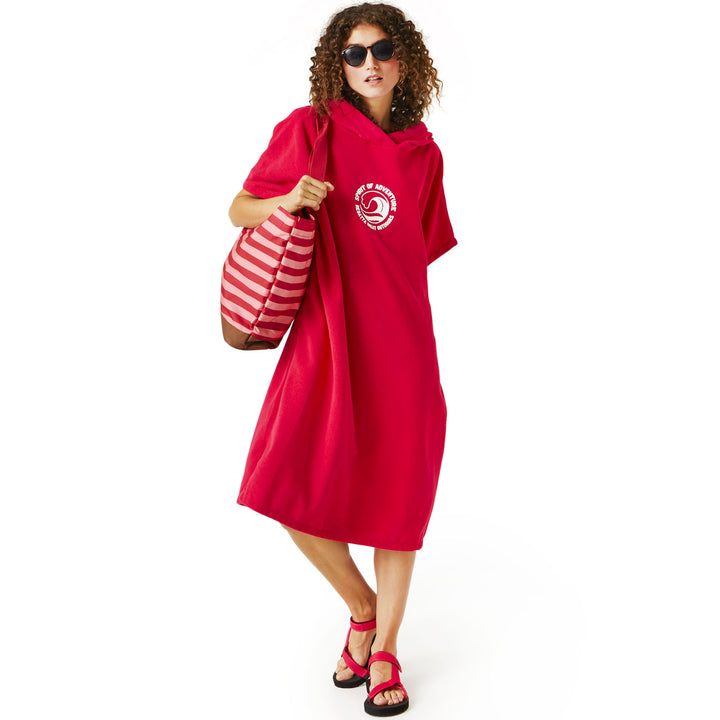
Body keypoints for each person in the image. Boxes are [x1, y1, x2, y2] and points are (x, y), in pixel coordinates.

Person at [225, 3, 457, 715]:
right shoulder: (311, 131)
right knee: (283, 482)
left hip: (404, 348)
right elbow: (239, 207)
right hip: (325, 338)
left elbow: (415, 251)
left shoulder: (424, 154)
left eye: (382, 49)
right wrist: (285, 200)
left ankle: (384, 649)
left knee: (397, 499)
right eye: (355, 53)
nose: (369, 64)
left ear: (404, 60)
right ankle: (362, 607)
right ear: (338, 64)